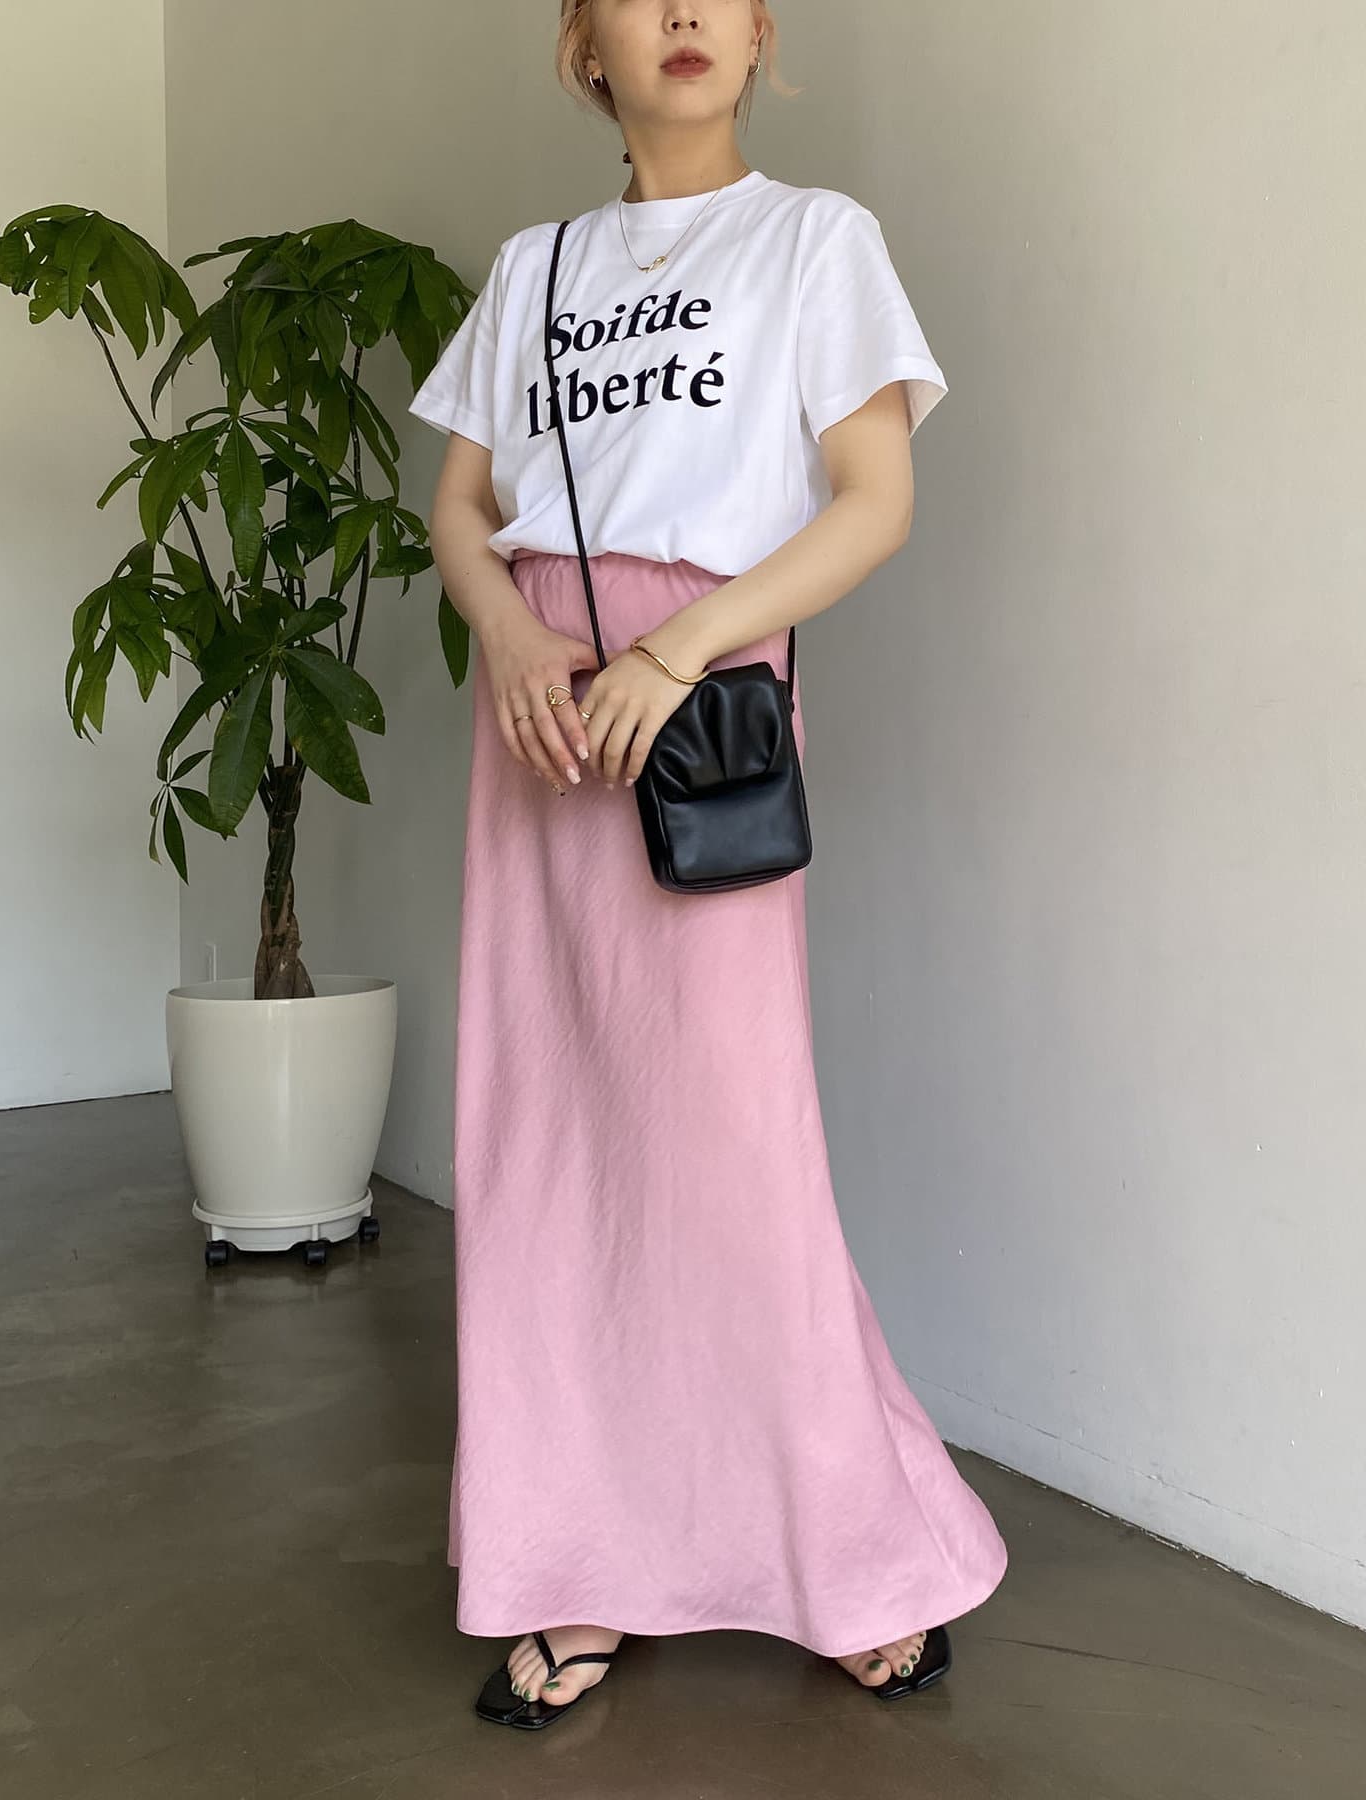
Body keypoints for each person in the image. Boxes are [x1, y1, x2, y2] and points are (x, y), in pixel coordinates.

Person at [408, 0, 1009, 1731]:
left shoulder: (816, 240)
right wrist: (513, 639)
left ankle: (852, 1556)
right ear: (581, 45)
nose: (681, 11)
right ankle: (571, 1559)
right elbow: (461, 508)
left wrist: (678, 654)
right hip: (543, 714)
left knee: (734, 1139)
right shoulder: (532, 269)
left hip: (706, 697)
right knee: (548, 1139)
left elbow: (873, 498)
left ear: (756, 37)